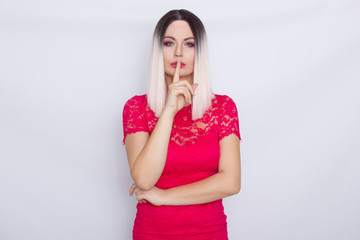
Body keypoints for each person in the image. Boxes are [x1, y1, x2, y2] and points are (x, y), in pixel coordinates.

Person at [122, 9, 242, 240]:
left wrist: (164, 197)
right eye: (169, 43)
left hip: (209, 232)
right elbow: (145, 179)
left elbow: (231, 182)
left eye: (189, 44)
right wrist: (168, 111)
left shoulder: (223, 108)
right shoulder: (136, 108)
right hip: (152, 232)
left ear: (200, 51)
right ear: (158, 50)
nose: (178, 53)